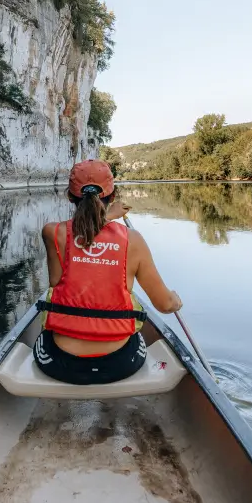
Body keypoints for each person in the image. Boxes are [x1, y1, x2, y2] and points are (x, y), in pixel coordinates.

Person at [34, 159, 182, 385]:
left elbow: (56, 281)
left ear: (70, 197)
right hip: (119, 363)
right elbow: (164, 305)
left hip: (61, 363)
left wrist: (106, 218)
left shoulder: (52, 232)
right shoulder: (133, 240)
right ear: (112, 197)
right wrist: (175, 302)